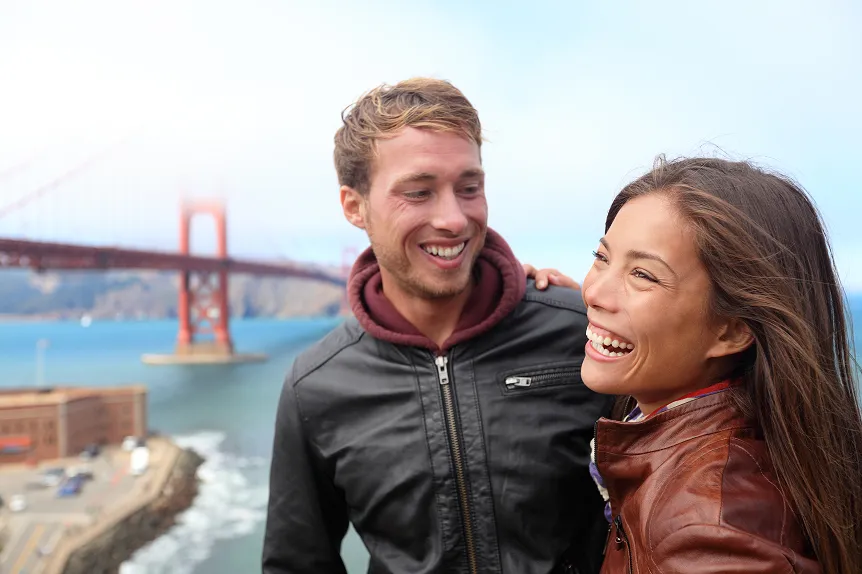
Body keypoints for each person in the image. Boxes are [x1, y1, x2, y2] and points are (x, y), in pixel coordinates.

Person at [262, 78, 614, 574]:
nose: (453, 219)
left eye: (469, 188)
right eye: (418, 192)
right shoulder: (315, 386)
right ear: (354, 206)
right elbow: (297, 563)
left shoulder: (580, 335)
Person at [577, 156, 862, 573]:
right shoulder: (757, 443)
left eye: (643, 275)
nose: (593, 292)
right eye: (602, 257)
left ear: (733, 331)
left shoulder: (708, 535)